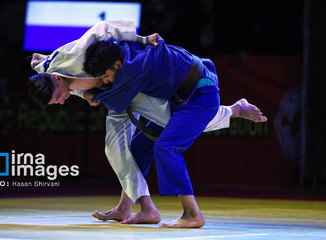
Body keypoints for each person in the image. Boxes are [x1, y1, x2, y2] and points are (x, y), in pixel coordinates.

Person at [28, 19, 267, 227]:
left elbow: (106, 28)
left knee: (171, 138)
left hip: (181, 92)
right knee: (127, 148)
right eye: (56, 101)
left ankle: (191, 212)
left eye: (59, 96)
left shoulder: (120, 66)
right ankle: (127, 206)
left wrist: (142, 39)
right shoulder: (50, 68)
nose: (61, 101)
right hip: (153, 93)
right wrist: (43, 60)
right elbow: (45, 65)